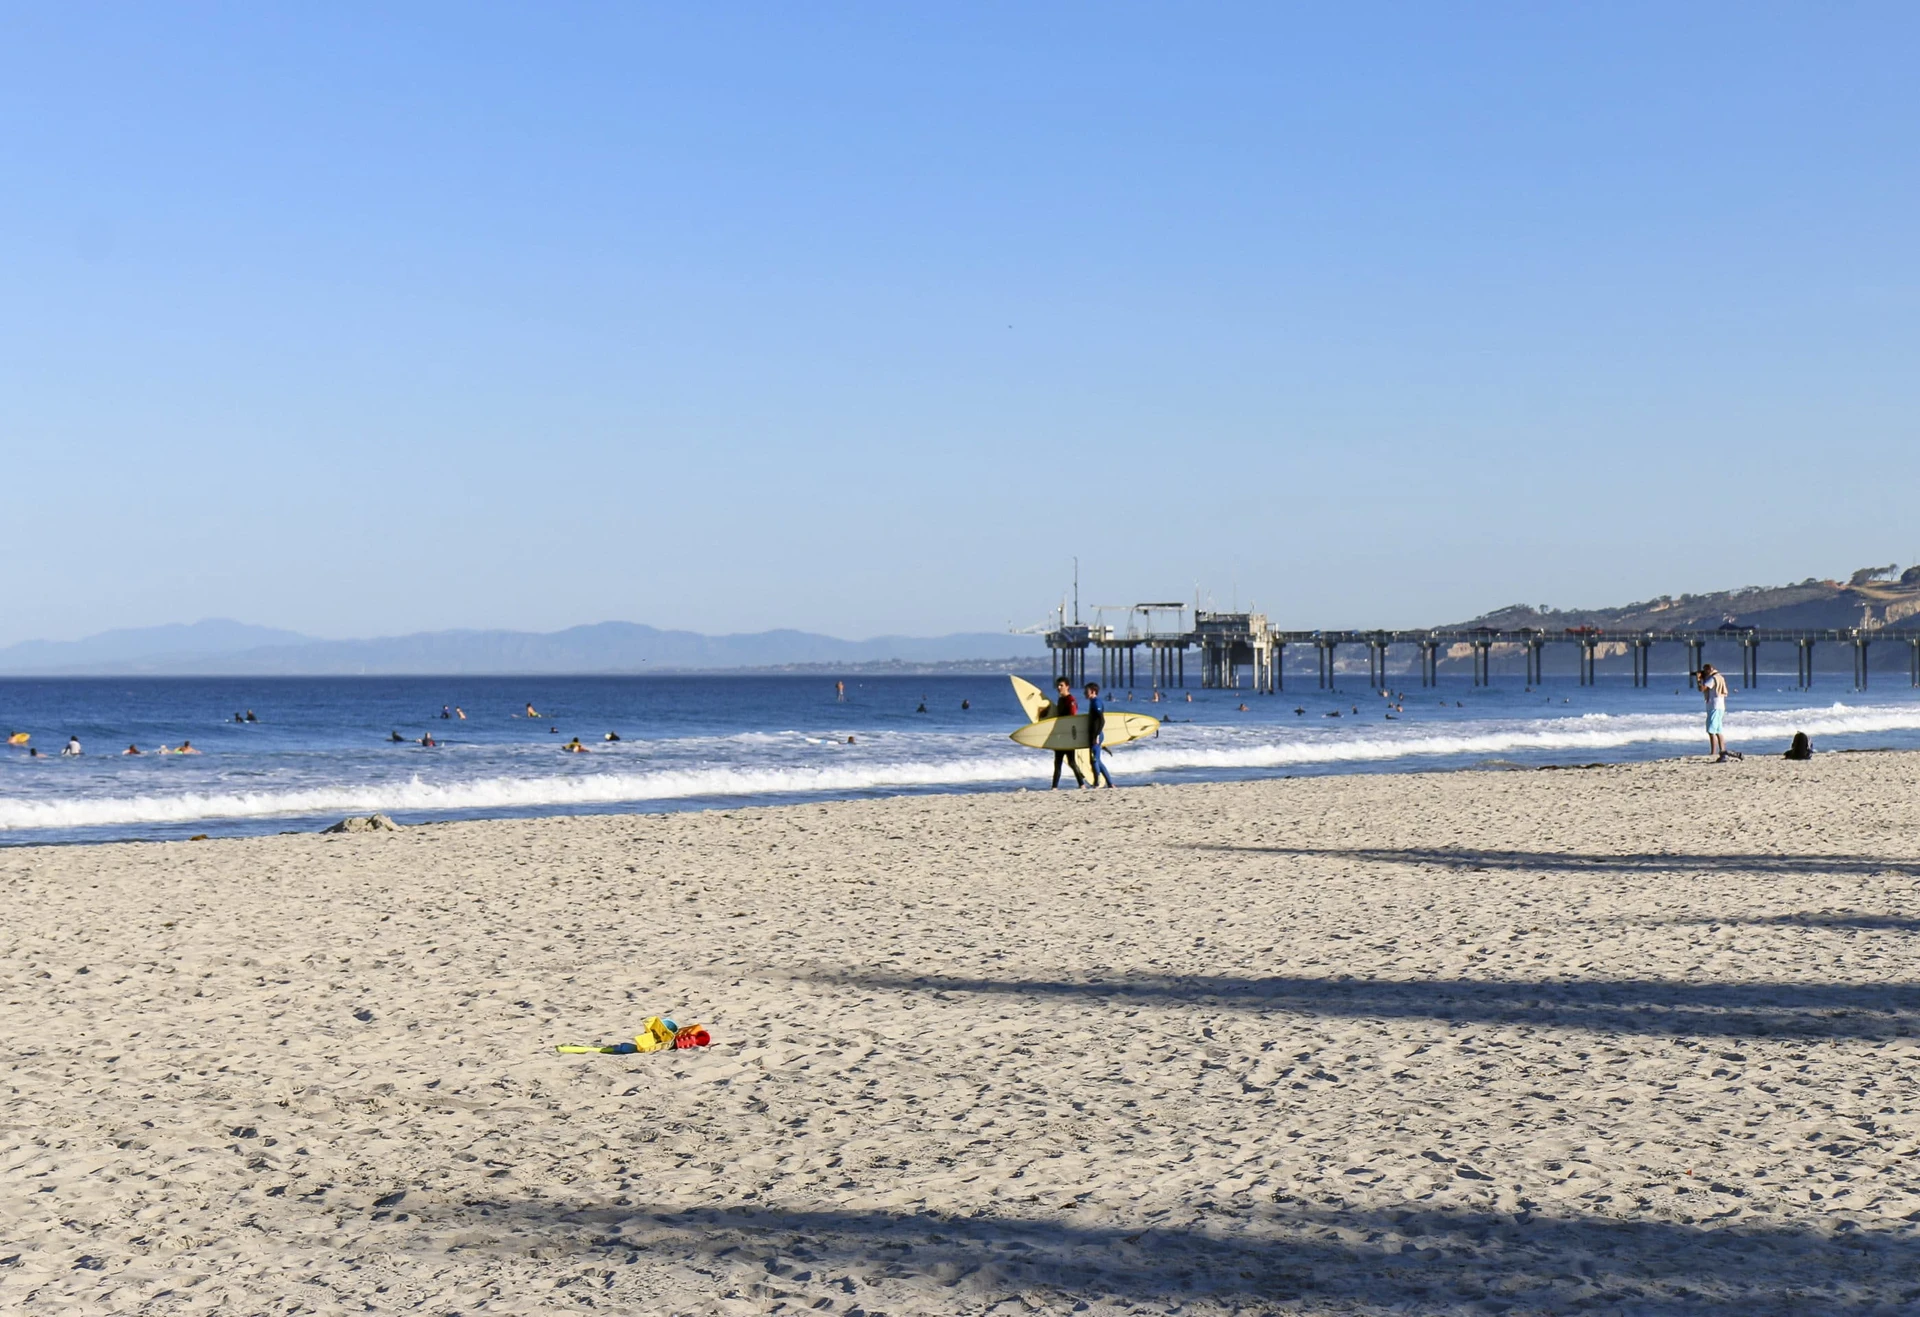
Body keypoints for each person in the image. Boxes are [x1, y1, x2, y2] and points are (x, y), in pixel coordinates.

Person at [1696, 664, 1741, 762]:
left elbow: (1702, 689)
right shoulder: (1719, 677)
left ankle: (1713, 752)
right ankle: (1722, 750)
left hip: (1714, 706)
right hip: (1720, 707)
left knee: (1711, 730)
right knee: (1718, 730)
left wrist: (1699, 679)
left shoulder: (1713, 678)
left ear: (1708, 670)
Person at [1046, 678, 1085, 789]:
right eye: (1058, 685)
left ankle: (1082, 785)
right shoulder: (1061, 700)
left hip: (1068, 736)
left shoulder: (1070, 700)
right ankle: (1054, 787)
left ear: (1067, 686)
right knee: (1058, 762)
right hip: (1060, 735)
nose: (1059, 688)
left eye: (1061, 685)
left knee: (1071, 762)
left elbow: (1072, 717)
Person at [1084, 682, 1114, 788]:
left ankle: (1096, 782)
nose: (1084, 693)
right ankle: (1110, 783)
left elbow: (1101, 720)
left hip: (1096, 735)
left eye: (1086, 691)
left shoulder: (1096, 703)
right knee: (1097, 760)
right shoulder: (1093, 702)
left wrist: (1096, 735)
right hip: (1094, 735)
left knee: (1094, 760)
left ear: (1093, 692)